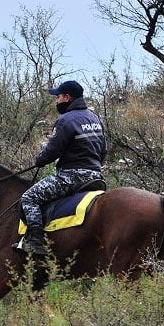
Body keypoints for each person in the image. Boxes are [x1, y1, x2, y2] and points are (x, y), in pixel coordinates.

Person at [13, 80, 107, 256]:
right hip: (96, 177)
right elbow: (103, 151)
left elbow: (52, 151)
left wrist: (40, 160)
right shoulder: (95, 118)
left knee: (29, 198)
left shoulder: (65, 120)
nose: (56, 100)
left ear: (67, 97)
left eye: (58, 96)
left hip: (71, 177)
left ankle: (35, 242)